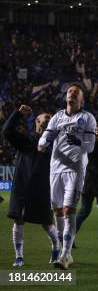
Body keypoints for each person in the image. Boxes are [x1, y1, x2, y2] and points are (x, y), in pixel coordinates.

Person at [38, 84, 97, 270]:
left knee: (69, 210)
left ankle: (65, 254)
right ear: (66, 97)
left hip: (75, 169)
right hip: (55, 169)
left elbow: (90, 147)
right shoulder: (57, 117)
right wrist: (45, 140)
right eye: (70, 91)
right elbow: (41, 141)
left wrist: (79, 141)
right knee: (58, 211)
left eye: (76, 92)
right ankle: (66, 250)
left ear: (81, 100)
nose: (71, 93)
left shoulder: (87, 118)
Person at [3, 105, 60, 266]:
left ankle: (56, 246)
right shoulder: (25, 140)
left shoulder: (56, 144)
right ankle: (19, 256)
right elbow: (6, 131)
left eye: (50, 119)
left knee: (47, 223)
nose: (47, 120)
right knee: (18, 220)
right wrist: (18, 114)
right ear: (37, 121)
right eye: (45, 118)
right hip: (22, 188)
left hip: (43, 189)